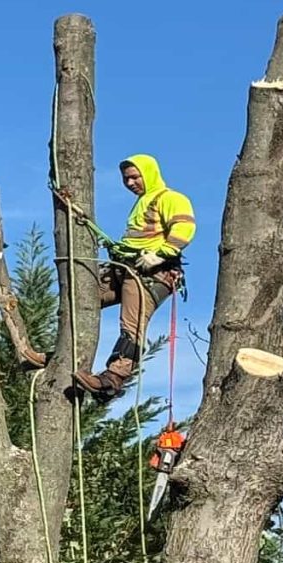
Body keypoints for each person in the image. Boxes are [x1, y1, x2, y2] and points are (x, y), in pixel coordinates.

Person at [72, 153, 195, 400]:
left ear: (148, 173)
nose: (130, 183)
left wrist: (161, 254)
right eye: (126, 179)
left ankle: (113, 379)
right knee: (79, 300)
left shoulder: (170, 198)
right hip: (125, 267)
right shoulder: (141, 202)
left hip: (151, 274)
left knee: (131, 325)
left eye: (134, 177)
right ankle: (60, 354)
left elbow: (185, 228)